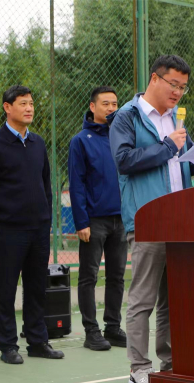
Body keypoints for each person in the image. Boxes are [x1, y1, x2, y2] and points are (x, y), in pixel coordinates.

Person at [109, 55, 194, 383]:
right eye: (173, 84)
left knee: (172, 300)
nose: (177, 92)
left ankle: (171, 363)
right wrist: (165, 147)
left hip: (181, 222)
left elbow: (187, 162)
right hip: (148, 221)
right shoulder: (127, 117)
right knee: (142, 298)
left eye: (183, 87)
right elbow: (124, 160)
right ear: (154, 79)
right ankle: (138, 369)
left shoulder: (175, 118)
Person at [0, 85, 65, 365]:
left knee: (36, 287)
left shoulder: (38, 143)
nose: (29, 108)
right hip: (8, 229)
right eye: (23, 103)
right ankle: (8, 346)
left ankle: (37, 341)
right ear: (7, 107)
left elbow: (45, 184)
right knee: (5, 289)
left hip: (38, 228)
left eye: (31, 103)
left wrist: (47, 218)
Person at [68, 86, 127, 352]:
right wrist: (81, 221)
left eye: (115, 104)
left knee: (117, 277)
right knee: (88, 277)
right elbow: (77, 183)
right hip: (94, 221)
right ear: (93, 107)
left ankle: (112, 328)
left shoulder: (122, 138)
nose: (111, 108)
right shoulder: (81, 141)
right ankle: (91, 331)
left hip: (121, 219)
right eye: (106, 104)